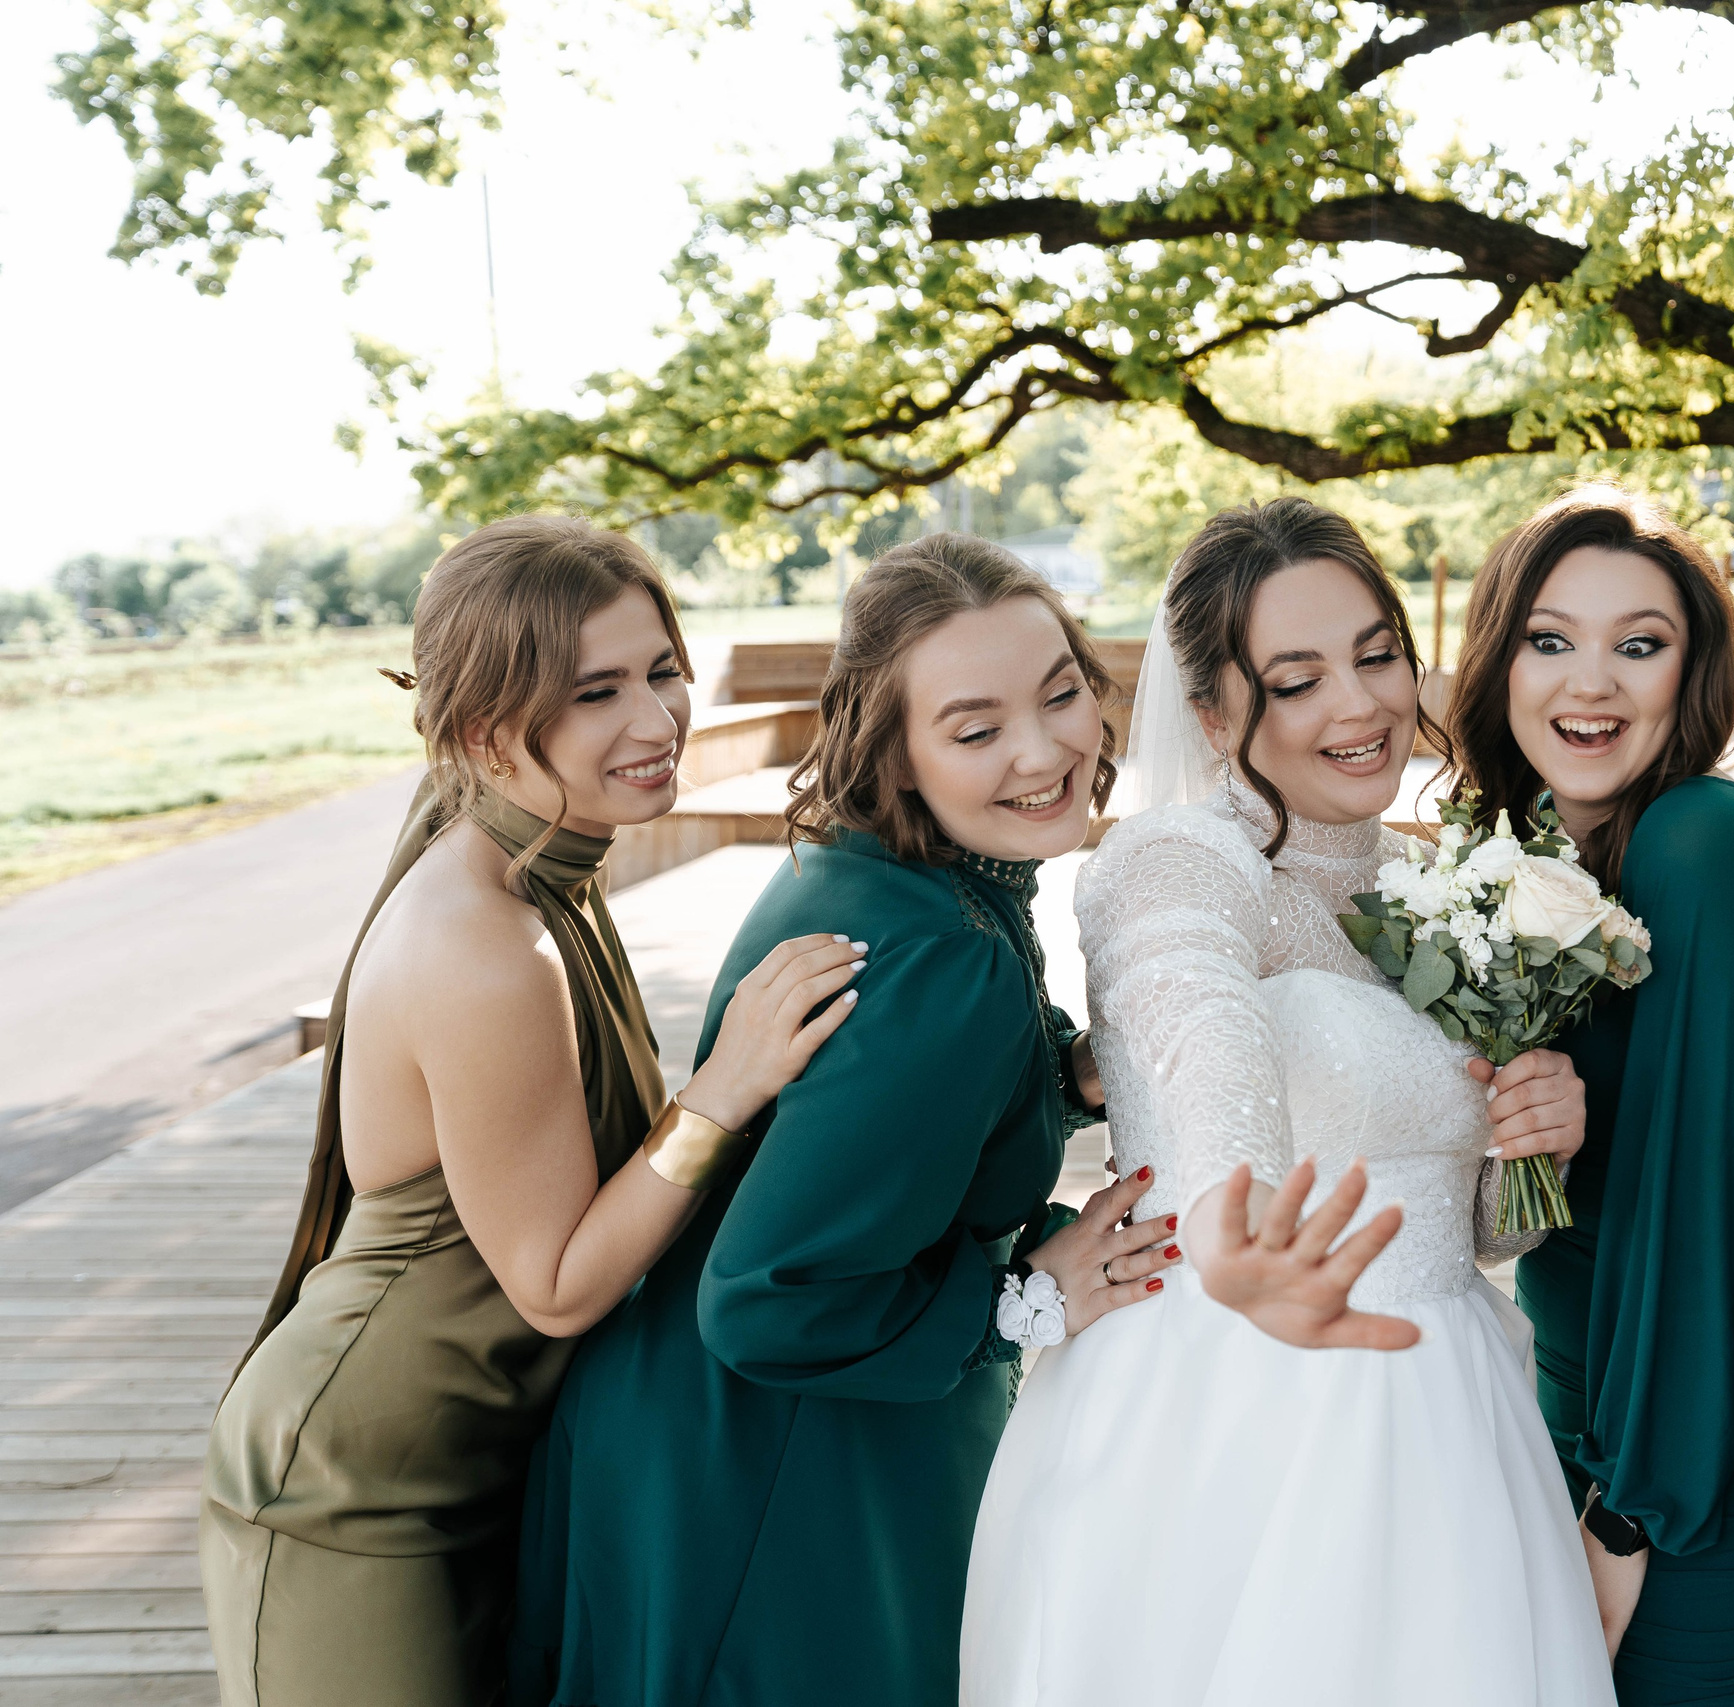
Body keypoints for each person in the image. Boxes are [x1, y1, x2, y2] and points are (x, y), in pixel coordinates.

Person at [200, 516, 866, 1707]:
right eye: (595, 692)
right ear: (481, 733)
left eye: (662, 670)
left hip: (489, 1468)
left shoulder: (549, 868)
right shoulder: (487, 945)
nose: (657, 719)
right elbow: (556, 1282)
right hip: (355, 1498)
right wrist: (726, 1084)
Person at [962, 497, 1614, 1707]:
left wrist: (1537, 1140)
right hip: (1236, 1404)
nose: (1359, 705)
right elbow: (1195, 1026)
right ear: (1211, 712)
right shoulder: (1177, 863)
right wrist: (1233, 1223)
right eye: (1296, 679)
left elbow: (1477, 1229)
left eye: (1376, 655)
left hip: (1450, 1399)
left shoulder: (1441, 884)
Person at [510, 533, 1171, 1707]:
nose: (1043, 749)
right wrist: (1035, 1296)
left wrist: (1062, 1081)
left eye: (1060, 692)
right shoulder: (947, 955)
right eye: (974, 729)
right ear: (895, 749)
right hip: (786, 1477)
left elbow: (883, 1114)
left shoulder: (875, 871)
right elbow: (774, 1298)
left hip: (681, 1434)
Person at [1445, 485, 1734, 1702]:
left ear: (1691, 676)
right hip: (1579, 1400)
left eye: (1639, 645)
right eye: (1549, 640)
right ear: (1500, 661)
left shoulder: (1704, 847)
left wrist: (1632, 1514)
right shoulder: (1533, 851)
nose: (1591, 685)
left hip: (1708, 1444)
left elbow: (1721, 1221)